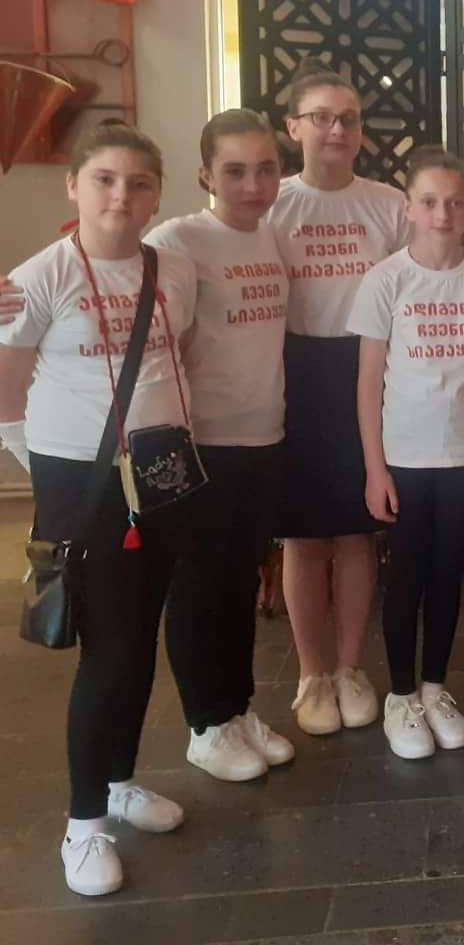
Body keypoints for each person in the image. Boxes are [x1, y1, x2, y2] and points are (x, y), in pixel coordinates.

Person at [0, 122, 199, 897]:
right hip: (80, 486)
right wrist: (59, 477)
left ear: (157, 194)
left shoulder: (173, 269)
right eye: (106, 179)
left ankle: (119, 780)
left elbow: (176, 358)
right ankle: (82, 824)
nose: (122, 195)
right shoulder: (39, 277)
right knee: (108, 649)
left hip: (160, 474)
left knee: (140, 637)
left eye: (140, 182)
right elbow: (6, 396)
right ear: (74, 185)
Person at [145, 109, 297, 782]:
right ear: (206, 174)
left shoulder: (273, 235)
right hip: (200, 442)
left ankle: (237, 709)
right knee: (198, 587)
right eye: (235, 171)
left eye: (266, 169)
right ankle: (205, 725)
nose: (253, 184)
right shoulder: (177, 241)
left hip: (263, 436)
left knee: (239, 581)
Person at [266, 58, 409, 738]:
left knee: (357, 529)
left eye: (348, 118)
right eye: (321, 117)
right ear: (293, 126)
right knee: (303, 533)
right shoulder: (272, 201)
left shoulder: (389, 203)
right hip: (294, 369)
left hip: (367, 368)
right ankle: (311, 672)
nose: (336, 129)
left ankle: (351, 668)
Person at [348, 147, 464, 760]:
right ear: (408, 207)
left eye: (455, 202)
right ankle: (402, 694)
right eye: (430, 201)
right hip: (405, 458)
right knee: (406, 576)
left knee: (447, 574)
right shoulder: (386, 279)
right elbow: (368, 384)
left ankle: (435, 686)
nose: (443, 214)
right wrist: (374, 467)